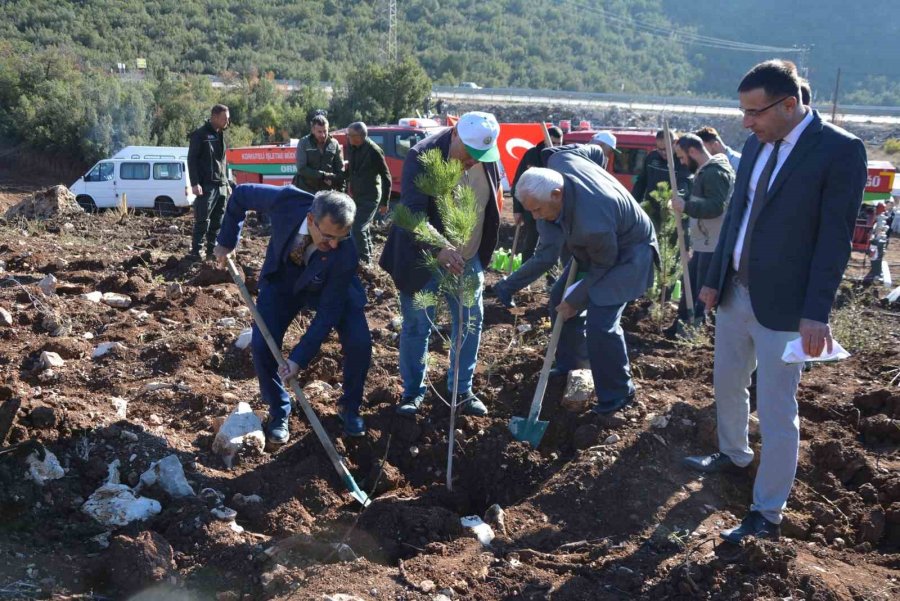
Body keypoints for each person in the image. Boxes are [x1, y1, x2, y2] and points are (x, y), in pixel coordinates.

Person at [683, 59, 867, 544]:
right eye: (743, 112)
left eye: (754, 112)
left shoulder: (839, 151)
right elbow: (738, 215)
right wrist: (714, 278)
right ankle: (733, 453)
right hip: (734, 291)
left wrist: (816, 312)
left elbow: (834, 238)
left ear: (790, 105)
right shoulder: (756, 144)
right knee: (726, 381)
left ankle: (766, 512)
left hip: (787, 307)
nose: (746, 122)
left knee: (777, 407)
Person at [213, 186, 371, 443]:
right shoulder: (287, 201)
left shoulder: (344, 252)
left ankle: (350, 408)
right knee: (263, 344)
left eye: (340, 238)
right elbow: (240, 195)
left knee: (360, 342)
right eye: (329, 236)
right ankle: (279, 411)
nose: (333, 244)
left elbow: (328, 313)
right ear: (311, 219)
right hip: (284, 280)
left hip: (330, 285)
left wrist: (298, 359)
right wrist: (226, 241)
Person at [379, 111, 503, 417]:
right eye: (470, 154)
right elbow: (412, 212)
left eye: (481, 155)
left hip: (468, 258)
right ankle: (413, 392)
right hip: (425, 259)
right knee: (418, 326)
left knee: (470, 323)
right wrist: (441, 248)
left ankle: (461, 391)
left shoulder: (486, 155)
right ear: (456, 134)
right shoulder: (423, 156)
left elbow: (490, 207)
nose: (474, 160)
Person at [516, 151, 659, 416]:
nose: (535, 217)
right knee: (559, 299)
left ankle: (618, 392)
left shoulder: (591, 224)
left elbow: (602, 265)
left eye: (537, 209)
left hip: (629, 252)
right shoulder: (559, 160)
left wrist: (577, 300)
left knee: (601, 321)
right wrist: (599, 174)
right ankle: (571, 363)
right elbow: (590, 151)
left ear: (557, 194)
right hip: (599, 246)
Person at [492, 143, 605, 309]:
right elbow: (521, 181)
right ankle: (506, 287)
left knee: (573, 257)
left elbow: (599, 152)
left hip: (568, 214)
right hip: (548, 209)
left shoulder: (589, 163)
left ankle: (567, 299)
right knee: (548, 254)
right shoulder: (555, 159)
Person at [667, 133, 735, 335]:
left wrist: (686, 206)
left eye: (681, 157)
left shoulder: (714, 172)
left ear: (693, 151)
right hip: (703, 241)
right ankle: (680, 325)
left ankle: (694, 332)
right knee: (691, 285)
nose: (681, 162)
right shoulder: (705, 172)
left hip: (712, 242)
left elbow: (716, 206)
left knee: (701, 291)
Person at [511, 126, 564, 263]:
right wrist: (517, 209)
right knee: (531, 240)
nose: (556, 146)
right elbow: (519, 181)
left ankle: (552, 277)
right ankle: (524, 273)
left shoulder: (561, 157)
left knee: (553, 241)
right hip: (533, 205)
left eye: (559, 143)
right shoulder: (532, 155)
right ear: (546, 140)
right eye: (553, 142)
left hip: (552, 207)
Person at [187, 104, 230, 260]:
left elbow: (223, 161)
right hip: (206, 185)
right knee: (202, 220)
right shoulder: (200, 135)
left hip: (221, 185)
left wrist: (227, 182)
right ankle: (196, 252)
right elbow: (191, 160)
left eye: (228, 118)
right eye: (225, 118)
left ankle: (211, 252)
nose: (227, 121)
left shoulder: (221, 135)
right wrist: (194, 183)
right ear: (215, 117)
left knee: (218, 221)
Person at [346, 122, 392, 265]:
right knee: (362, 227)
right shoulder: (352, 147)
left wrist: (385, 202)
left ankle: (365, 262)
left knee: (358, 227)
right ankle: (369, 256)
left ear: (359, 137)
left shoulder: (374, 151)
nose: (347, 137)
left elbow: (386, 177)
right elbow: (351, 170)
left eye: (350, 135)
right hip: (357, 195)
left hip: (370, 196)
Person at [631, 129, 691, 232]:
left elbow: (684, 183)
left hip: (673, 213)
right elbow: (641, 182)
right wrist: (632, 203)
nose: (663, 153)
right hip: (651, 211)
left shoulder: (682, 160)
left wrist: (675, 198)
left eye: (666, 149)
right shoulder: (652, 157)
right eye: (660, 149)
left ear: (675, 144)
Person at [292, 114, 345, 194]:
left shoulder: (334, 143)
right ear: (313, 130)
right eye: (319, 132)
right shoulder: (304, 143)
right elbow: (301, 169)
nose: (323, 135)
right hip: (306, 190)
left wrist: (341, 189)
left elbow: (340, 169)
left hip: (326, 191)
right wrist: (323, 175)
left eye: (325, 131)